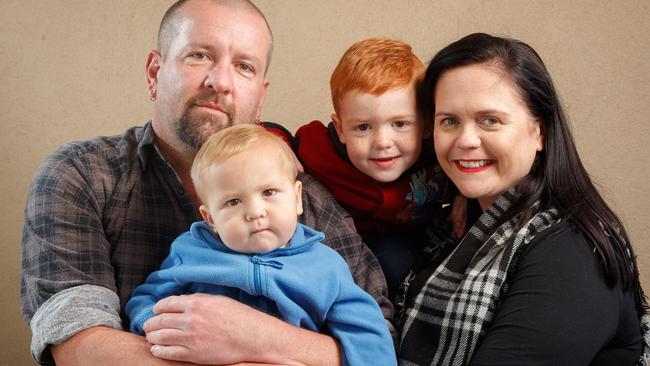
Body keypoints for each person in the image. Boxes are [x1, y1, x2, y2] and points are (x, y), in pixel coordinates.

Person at [20, 1, 392, 365]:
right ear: (154, 72)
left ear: (260, 98)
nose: (220, 82)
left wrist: (258, 337)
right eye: (198, 56)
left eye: (244, 66)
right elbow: (76, 343)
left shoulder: (306, 198)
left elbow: (381, 336)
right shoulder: (81, 174)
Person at [398, 32, 649, 365]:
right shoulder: (449, 226)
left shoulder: (571, 250)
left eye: (490, 120)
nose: (466, 140)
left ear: (539, 132)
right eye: (450, 121)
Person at [126, 124, 396, 365]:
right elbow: (147, 299)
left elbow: (367, 331)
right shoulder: (191, 252)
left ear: (297, 198)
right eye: (233, 202)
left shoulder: (326, 266)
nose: (255, 212)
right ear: (210, 219)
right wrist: (161, 329)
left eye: (269, 192)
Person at [265, 38, 454, 298]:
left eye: (400, 124)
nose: (382, 143)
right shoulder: (322, 151)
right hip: (343, 242)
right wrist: (273, 141)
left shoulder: (438, 153)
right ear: (341, 129)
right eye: (363, 127)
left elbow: (470, 168)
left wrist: (464, 197)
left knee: (401, 263)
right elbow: (276, 134)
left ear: (426, 124)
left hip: (408, 237)